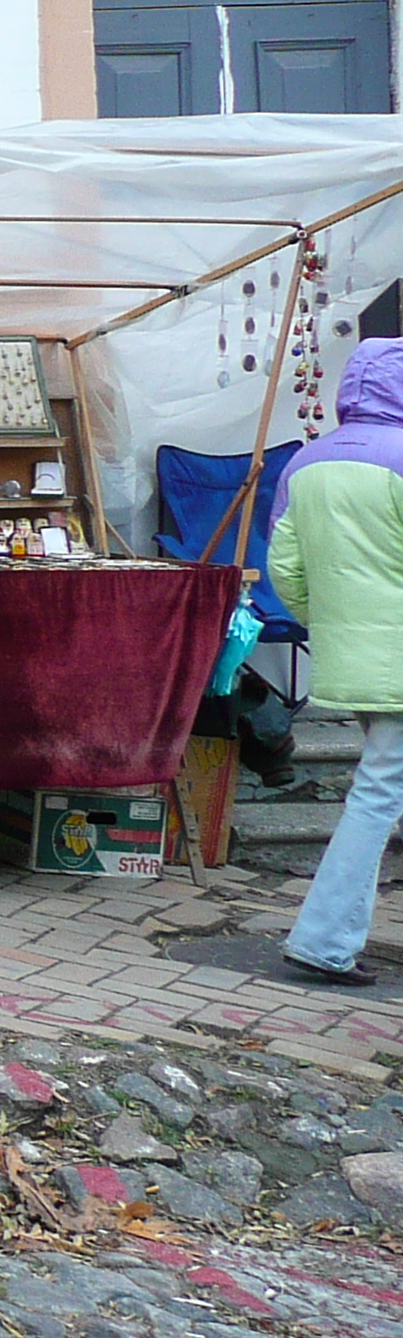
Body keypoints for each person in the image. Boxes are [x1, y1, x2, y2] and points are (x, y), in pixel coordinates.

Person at [272, 337, 403, 987]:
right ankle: (323, 942)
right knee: (378, 797)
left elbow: (285, 568)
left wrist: (330, 624)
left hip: (350, 660)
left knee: (381, 790)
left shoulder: (306, 461)